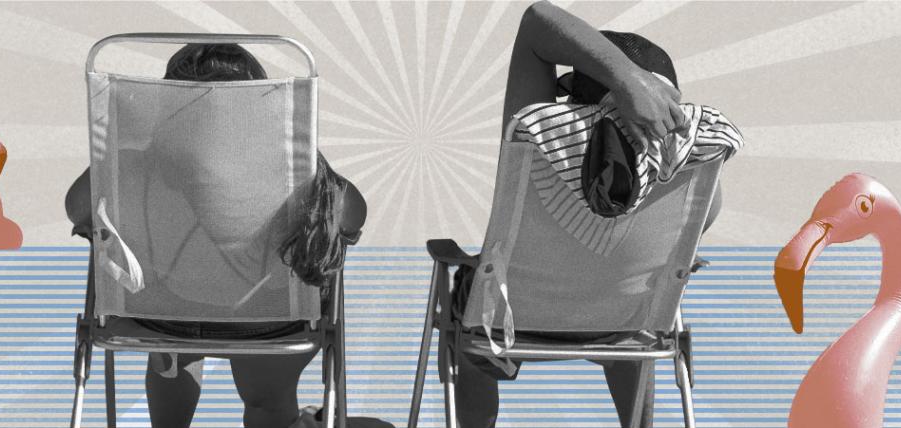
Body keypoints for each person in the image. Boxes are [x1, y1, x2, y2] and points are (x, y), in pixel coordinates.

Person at [65, 44, 384, 428]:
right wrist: (312, 176)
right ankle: (284, 419)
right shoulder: (291, 174)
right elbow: (352, 216)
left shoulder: (134, 166)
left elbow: (77, 209)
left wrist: (109, 162)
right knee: (268, 400)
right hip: (270, 324)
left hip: (164, 319)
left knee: (173, 341)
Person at [447, 2, 732, 427]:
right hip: (622, 328)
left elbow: (537, 19)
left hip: (510, 322)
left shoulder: (540, 137)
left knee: (462, 294)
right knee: (643, 298)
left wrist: (624, 79)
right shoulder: (694, 169)